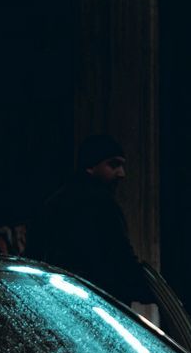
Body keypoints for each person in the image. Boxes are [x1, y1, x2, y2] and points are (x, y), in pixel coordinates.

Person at [27, 133, 156, 316]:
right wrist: (146, 291)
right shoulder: (101, 204)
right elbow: (120, 257)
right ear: (90, 166)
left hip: (58, 305)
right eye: (113, 165)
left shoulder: (53, 202)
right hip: (97, 308)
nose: (121, 174)